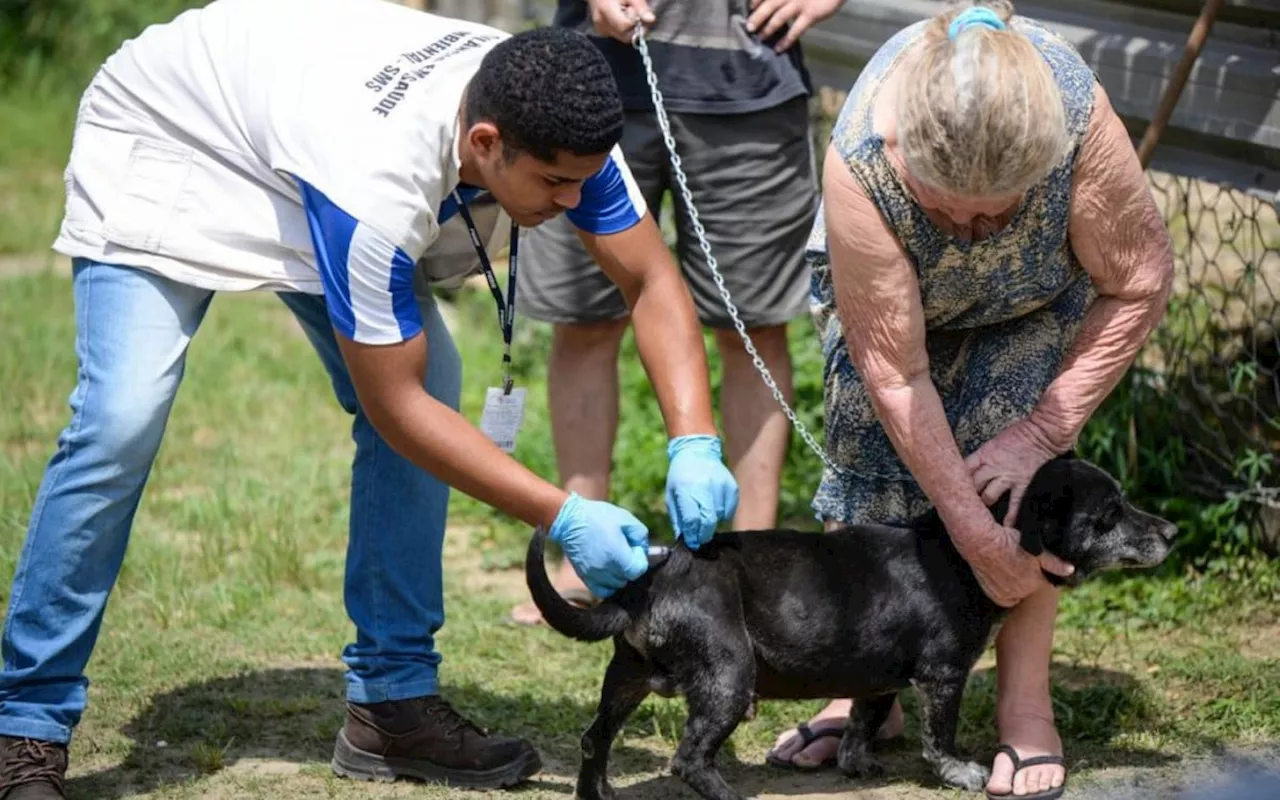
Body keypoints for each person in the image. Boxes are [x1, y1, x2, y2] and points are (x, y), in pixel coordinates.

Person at [0, 0, 740, 797]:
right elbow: (395, 405)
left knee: (440, 383)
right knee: (122, 420)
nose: (572, 203)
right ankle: (25, 721)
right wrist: (560, 515)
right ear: (485, 144)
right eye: (555, 184)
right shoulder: (376, 183)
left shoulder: (558, 110)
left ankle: (391, 707)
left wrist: (693, 438)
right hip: (173, 133)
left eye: (582, 182)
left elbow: (650, 278)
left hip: (297, 123)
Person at [763, 3, 1174, 799]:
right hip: (891, 313)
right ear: (903, 153)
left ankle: (1025, 708)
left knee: (1021, 495)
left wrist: (1041, 431)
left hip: (1031, 304)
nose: (971, 228)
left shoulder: (1080, 130)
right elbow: (896, 375)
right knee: (871, 464)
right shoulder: (861, 159)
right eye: (946, 205)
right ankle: (864, 692)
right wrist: (963, 527)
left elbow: (1139, 284)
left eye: (998, 208)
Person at [509, 0, 846, 625]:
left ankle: (753, 568)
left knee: (752, 330)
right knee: (585, 323)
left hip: (749, 82)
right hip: (590, 78)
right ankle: (584, 553)